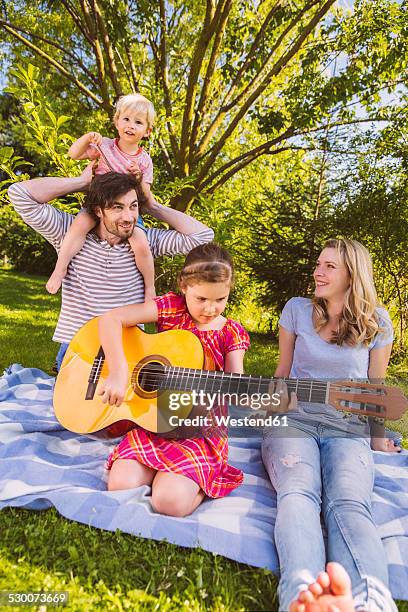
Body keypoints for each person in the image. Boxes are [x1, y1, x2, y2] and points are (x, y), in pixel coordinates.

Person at [261, 239, 399, 612]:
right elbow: (282, 372)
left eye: (329, 267)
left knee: (349, 503)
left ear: (352, 274)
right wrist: (272, 404)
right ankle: (302, 595)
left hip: (347, 428)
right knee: (298, 492)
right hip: (295, 421)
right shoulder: (296, 310)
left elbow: (375, 388)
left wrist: (378, 438)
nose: (318, 272)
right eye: (319, 264)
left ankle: (371, 603)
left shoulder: (377, 322)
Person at [8, 165, 214, 371]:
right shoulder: (67, 232)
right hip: (79, 352)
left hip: (128, 354)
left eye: (132, 206)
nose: (128, 217)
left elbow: (203, 237)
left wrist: (151, 206)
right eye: (117, 207)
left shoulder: (147, 241)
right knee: (76, 404)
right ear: (98, 210)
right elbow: (19, 194)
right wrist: (81, 183)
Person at [98, 243, 250, 517]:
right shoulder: (171, 309)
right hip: (154, 422)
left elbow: (235, 383)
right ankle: (163, 473)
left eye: (220, 299)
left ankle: (203, 482)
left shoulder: (230, 332)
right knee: (120, 486)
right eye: (201, 299)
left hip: (198, 431)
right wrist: (120, 371)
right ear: (184, 285)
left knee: (169, 503)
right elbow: (111, 319)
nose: (211, 309)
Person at [46, 93, 157, 296]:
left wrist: (139, 177)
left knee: (141, 244)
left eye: (138, 122)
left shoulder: (144, 161)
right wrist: (87, 138)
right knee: (77, 228)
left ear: (147, 131)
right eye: (126, 119)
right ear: (116, 122)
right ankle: (59, 269)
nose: (130, 125)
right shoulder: (104, 145)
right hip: (97, 202)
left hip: (126, 212)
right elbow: (73, 154)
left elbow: (146, 194)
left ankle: (150, 288)